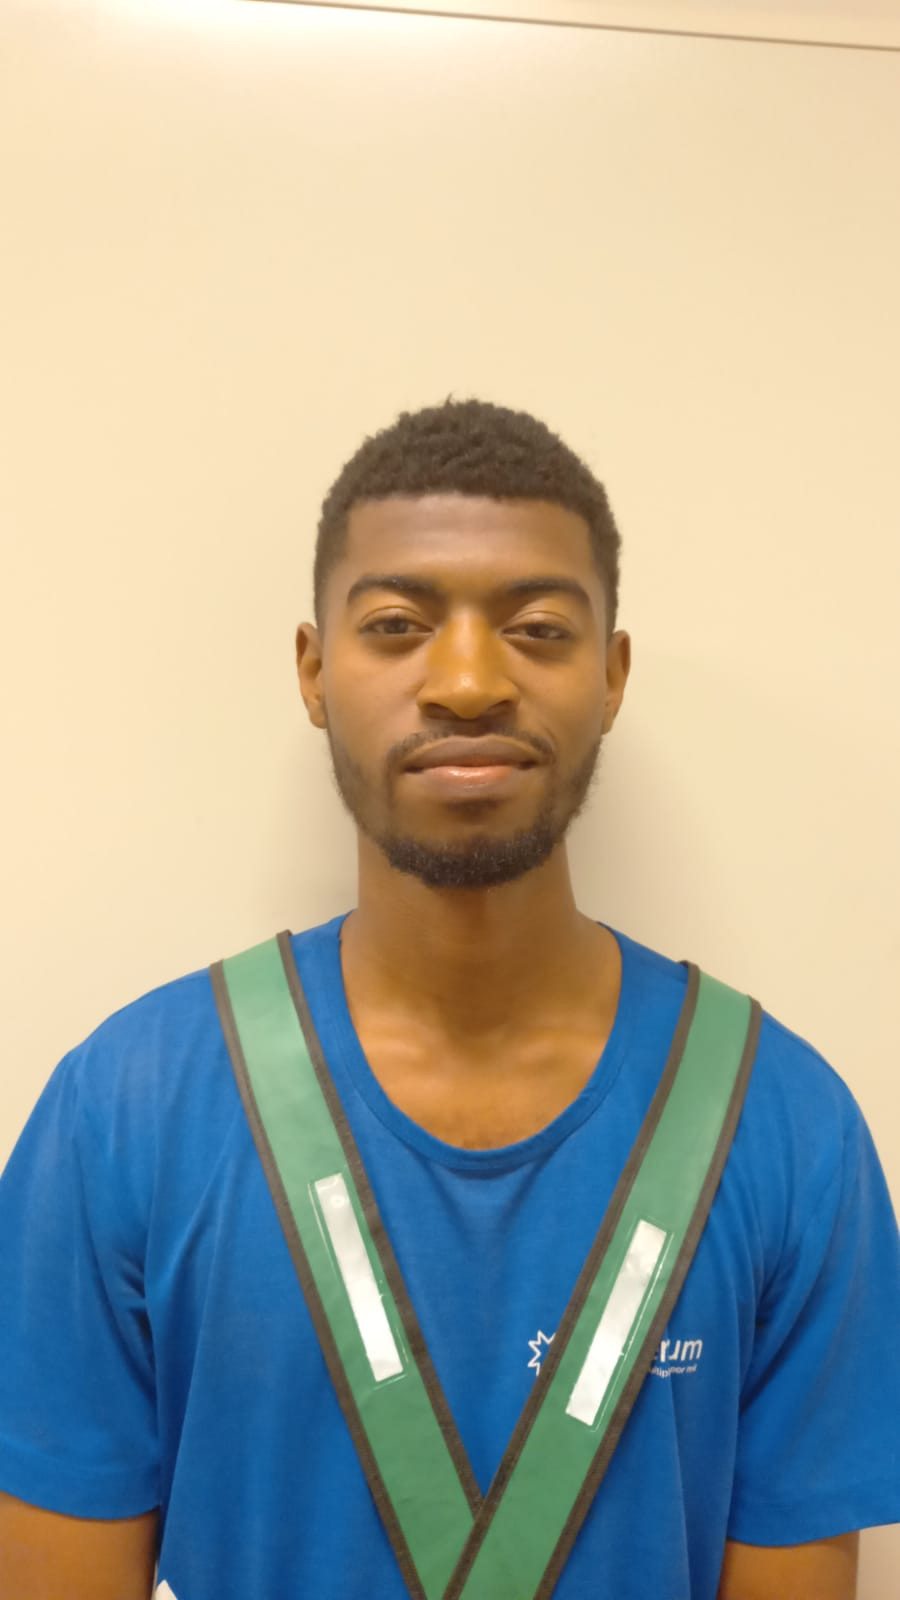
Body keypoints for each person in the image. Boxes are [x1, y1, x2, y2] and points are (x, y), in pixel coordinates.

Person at [0, 396, 898, 1600]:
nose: (469, 682)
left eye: (537, 629)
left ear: (612, 675)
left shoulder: (787, 1129)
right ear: (314, 671)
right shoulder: (122, 1114)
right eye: (396, 626)